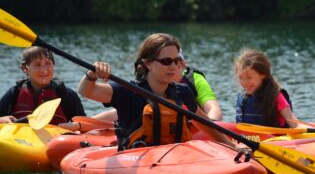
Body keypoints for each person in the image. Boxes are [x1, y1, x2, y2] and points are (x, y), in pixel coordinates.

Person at [79, 33, 238, 150]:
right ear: (148, 63)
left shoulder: (183, 92)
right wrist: (91, 74)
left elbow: (207, 125)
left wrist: (233, 147)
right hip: (137, 159)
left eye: (176, 61)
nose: (173, 66)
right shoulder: (127, 91)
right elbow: (86, 91)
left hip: (175, 159)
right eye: (166, 61)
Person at [0, 46, 85, 128]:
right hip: (19, 144)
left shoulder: (66, 95)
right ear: (25, 69)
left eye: (48, 63)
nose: (44, 70)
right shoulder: (14, 93)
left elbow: (85, 126)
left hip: (54, 145)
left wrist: (75, 126)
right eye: (37, 65)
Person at [234, 49, 297, 128]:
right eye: (240, 77)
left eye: (249, 77)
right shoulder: (243, 98)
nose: (244, 82)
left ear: (263, 75)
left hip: (274, 139)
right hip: (247, 139)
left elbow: (295, 125)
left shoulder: (276, 97)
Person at [178, 52, 223, 121]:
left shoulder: (193, 78)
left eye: (176, 62)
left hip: (195, 127)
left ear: (184, 64)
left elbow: (213, 108)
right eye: (166, 62)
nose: (172, 67)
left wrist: (211, 126)